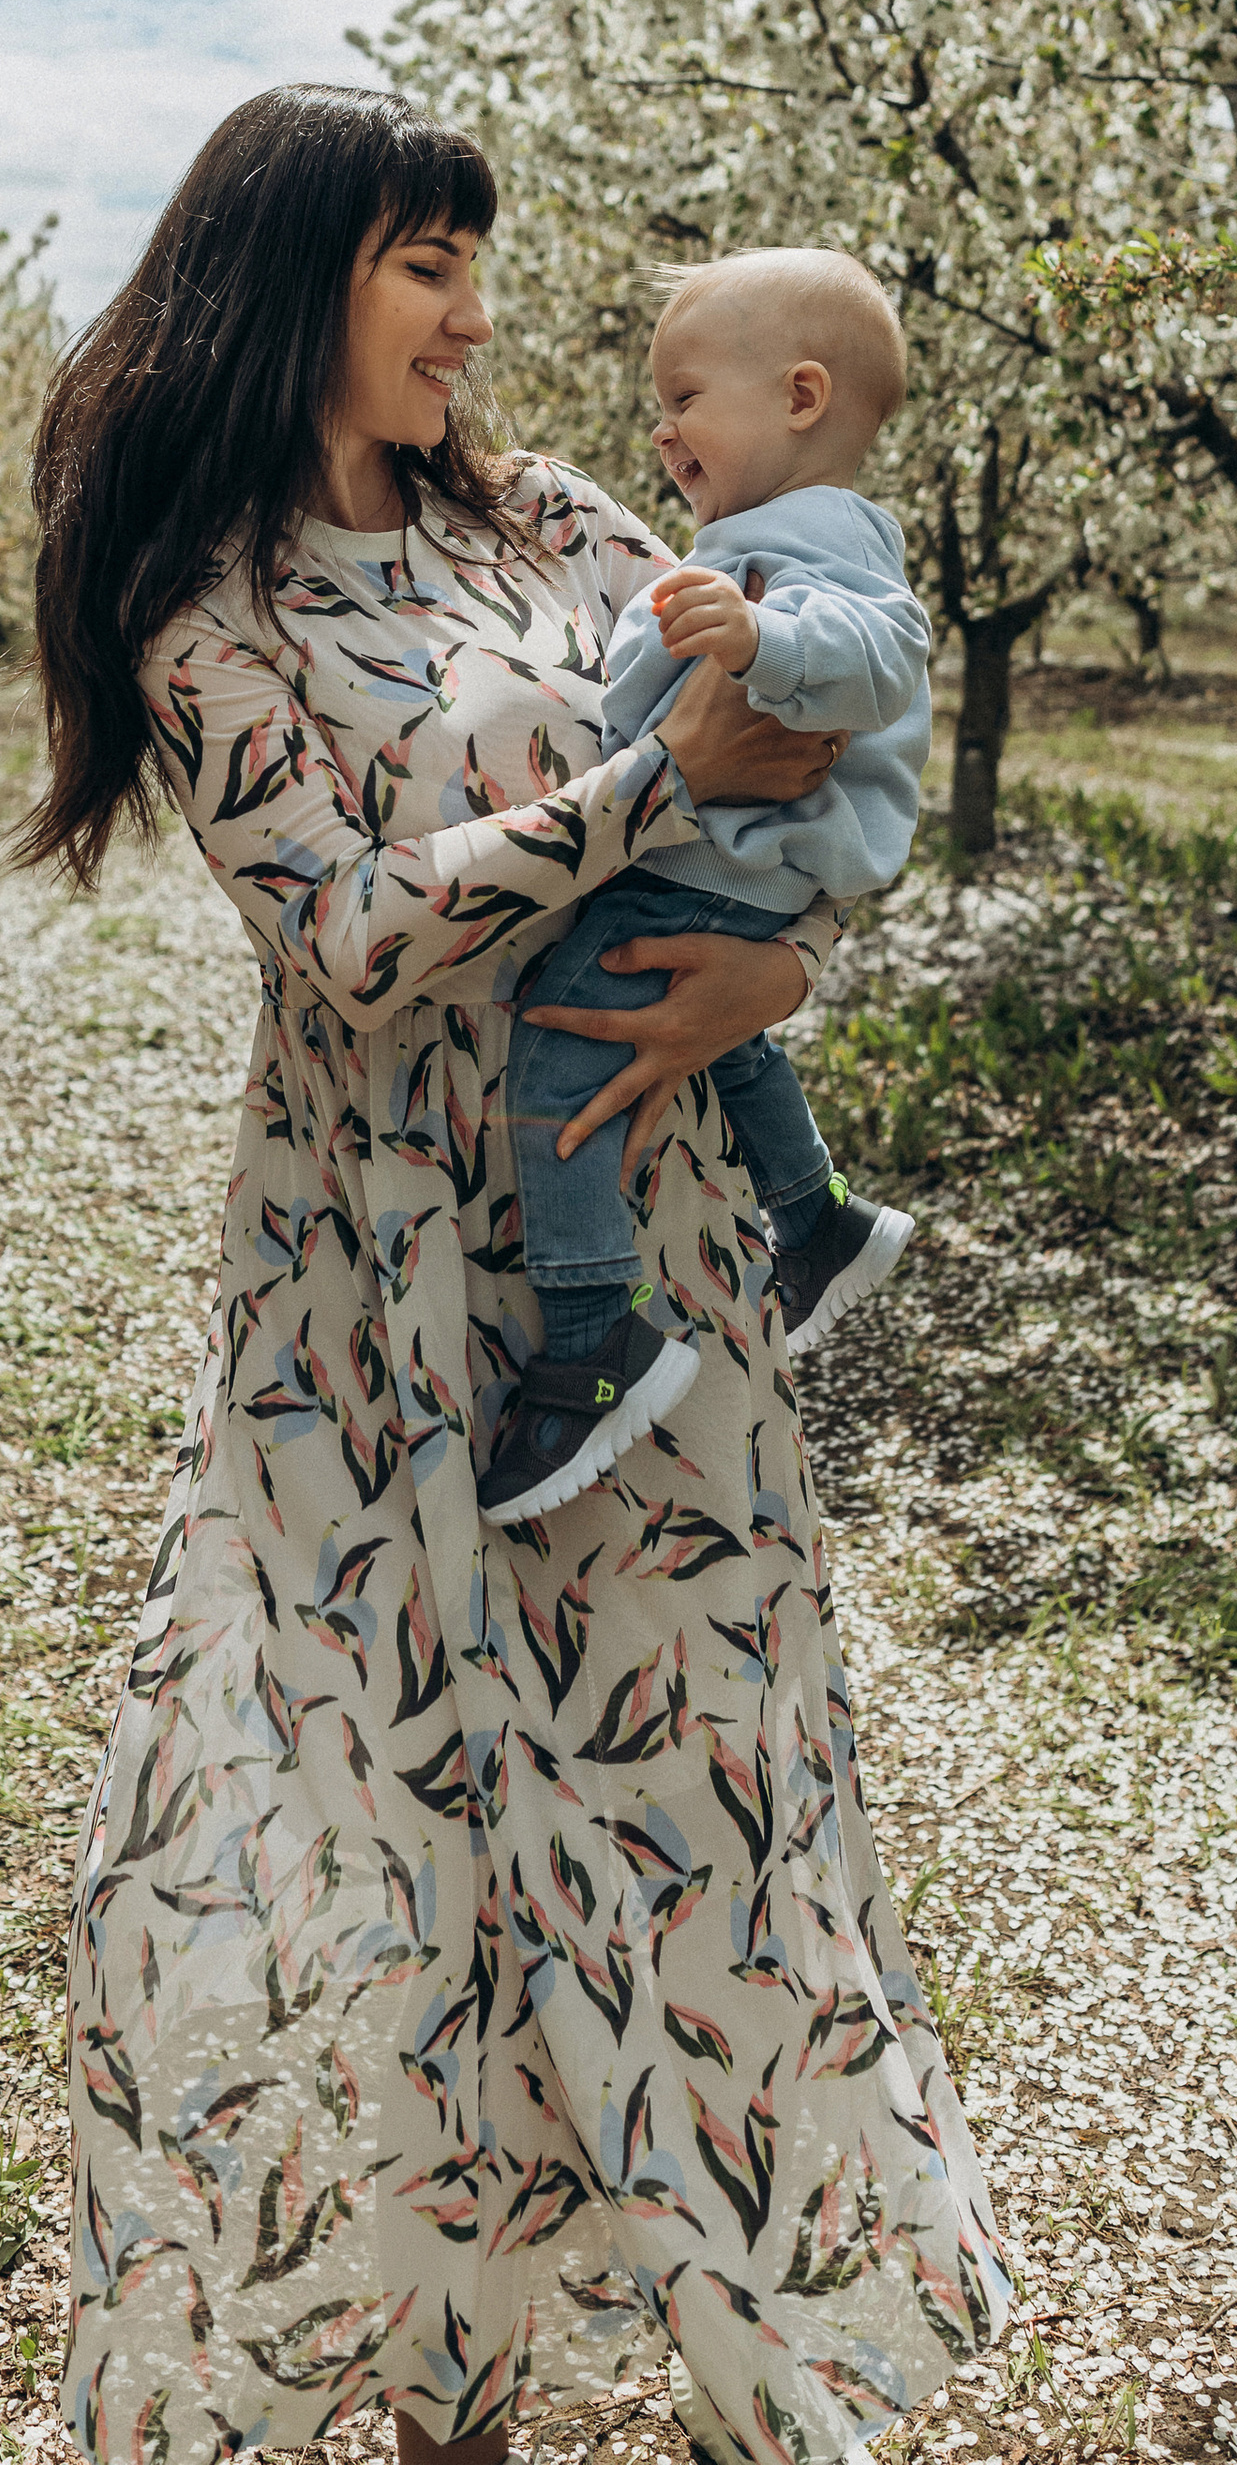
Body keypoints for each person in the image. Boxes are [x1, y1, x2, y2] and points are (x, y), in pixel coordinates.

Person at [24, 85, 1010, 2465]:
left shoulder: (551, 515)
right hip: (370, 1301)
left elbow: (808, 723)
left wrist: (774, 979)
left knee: (692, 1793)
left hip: (641, 1259)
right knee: (379, 1837)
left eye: (478, 260)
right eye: (424, 264)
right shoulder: (211, 614)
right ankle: (429, 2395)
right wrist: (648, 785)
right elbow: (359, 943)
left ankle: (745, 2358)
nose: (478, 315)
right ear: (296, 287)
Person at [478, 250, 931, 1524]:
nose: (661, 426)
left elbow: (886, 648)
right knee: (724, 1052)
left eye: (683, 396)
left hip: (717, 853)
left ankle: (590, 1325)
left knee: (566, 1045)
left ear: (797, 396)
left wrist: (761, 641)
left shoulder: (815, 533)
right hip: (725, 861)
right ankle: (817, 1217)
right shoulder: (756, 531)